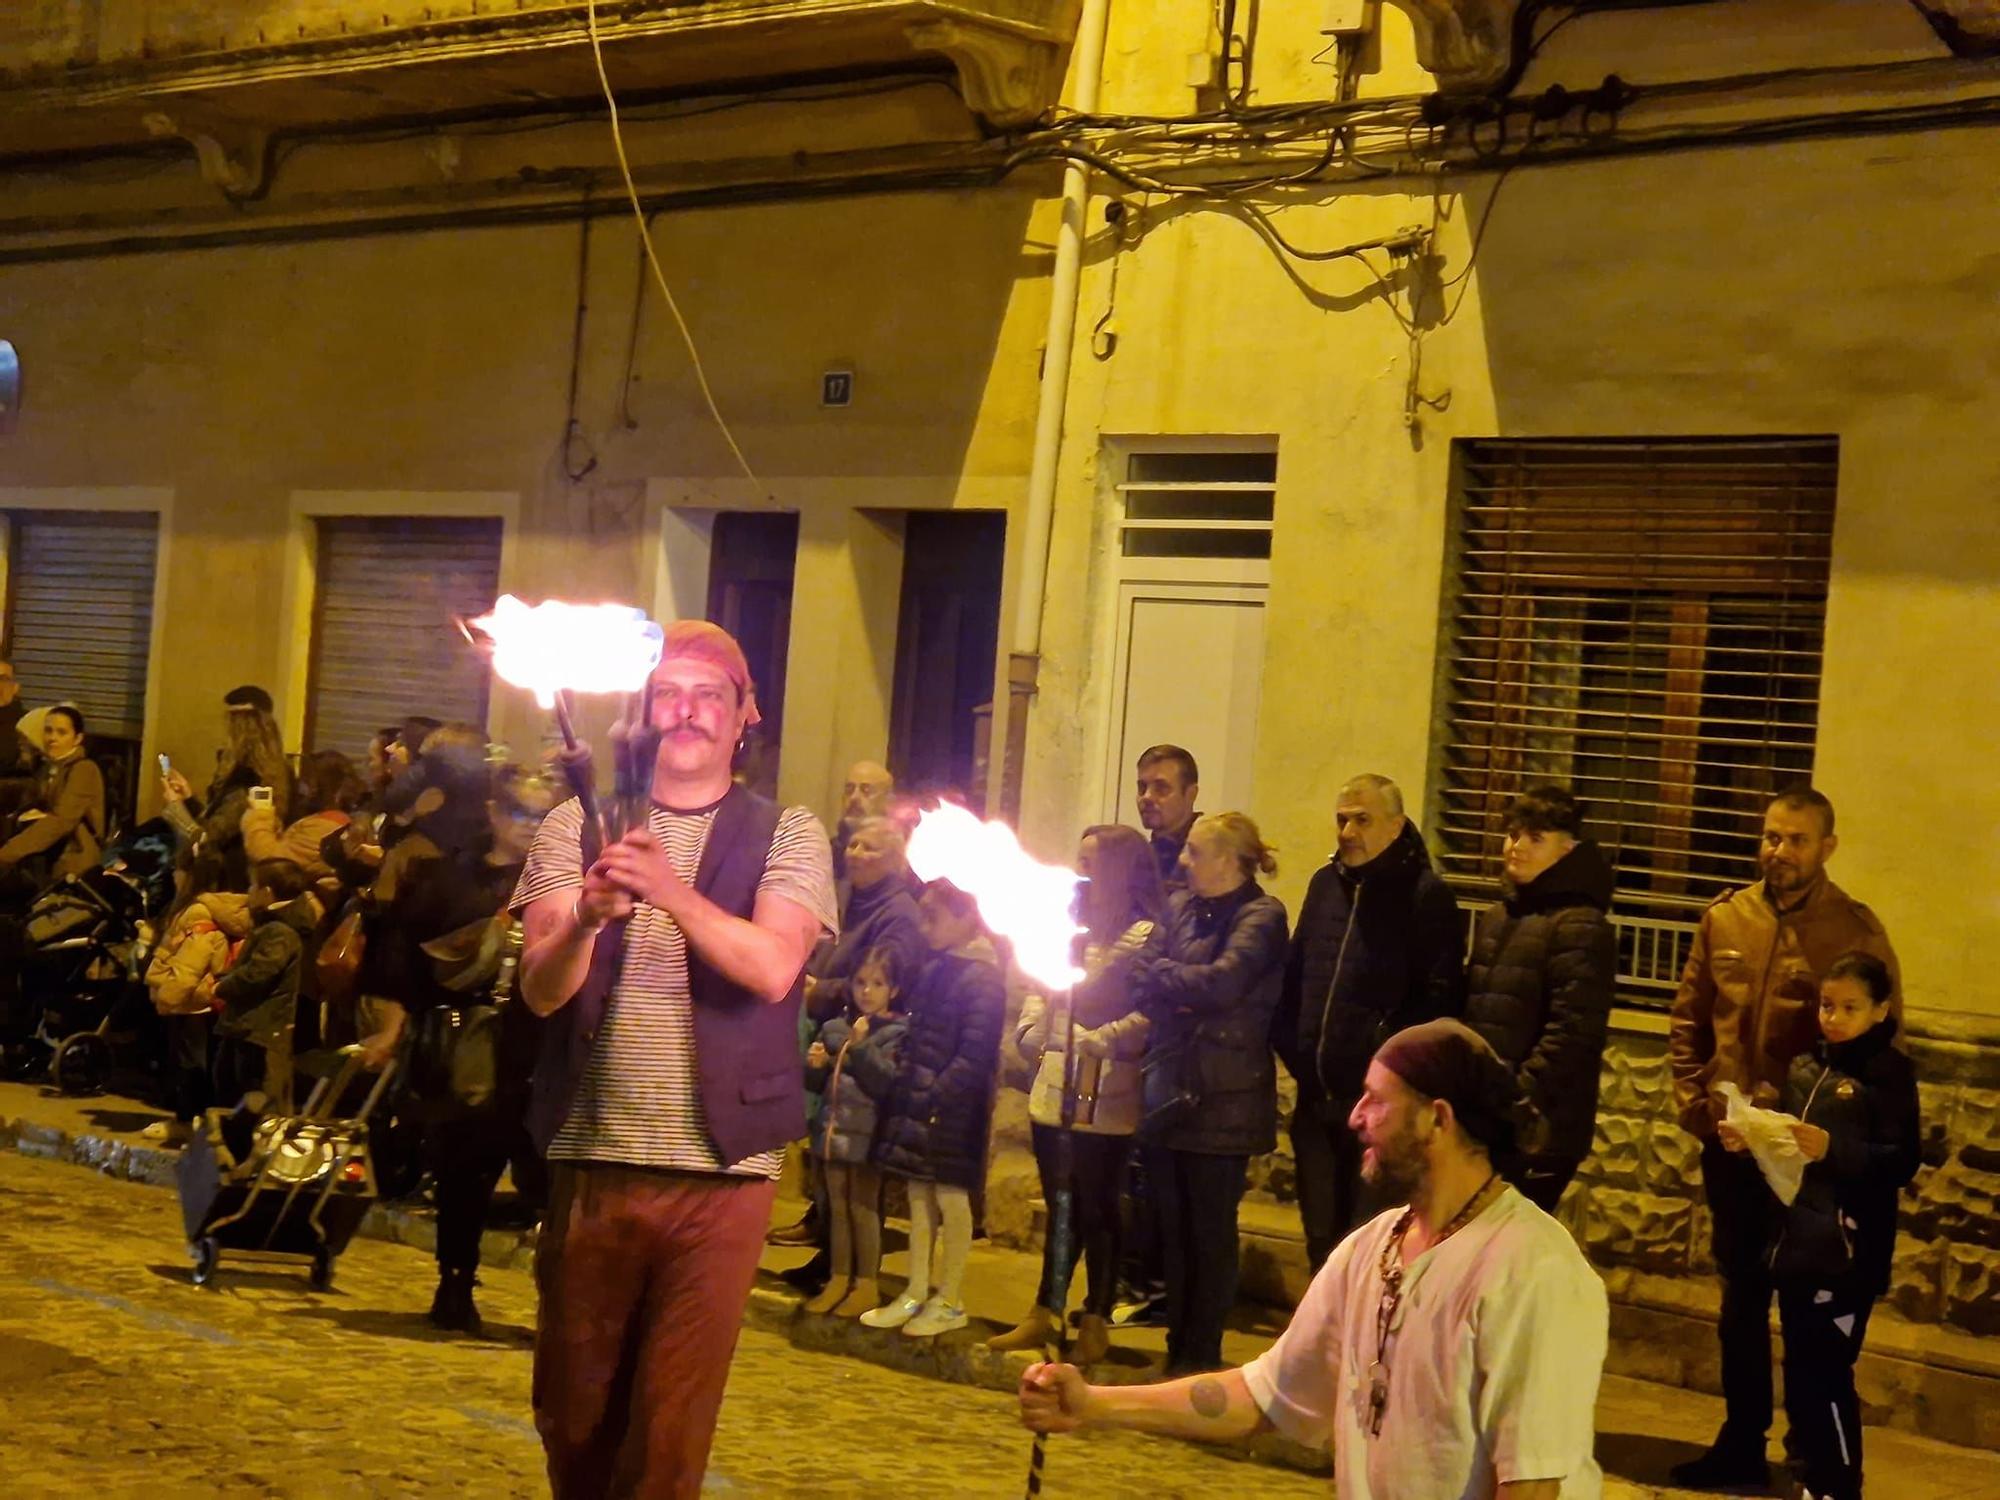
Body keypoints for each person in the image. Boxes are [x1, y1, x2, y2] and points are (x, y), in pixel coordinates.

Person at [1019, 1018, 1609, 1500]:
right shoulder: (1370, 1249)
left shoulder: (1533, 1269)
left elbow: (1534, 1484)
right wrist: (1093, 1402)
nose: (1355, 1117)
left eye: (1376, 1101)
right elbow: (1260, 1398)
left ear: (1438, 1118)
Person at [513, 620, 835, 1500]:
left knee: (667, 1436)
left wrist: (669, 891)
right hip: (594, 1150)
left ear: (745, 717)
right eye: (669, 694)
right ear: (644, 715)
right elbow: (540, 991)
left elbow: (772, 967)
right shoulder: (573, 826)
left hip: (722, 1172)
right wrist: (585, 915)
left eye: (710, 696)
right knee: (573, 1420)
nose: (688, 711)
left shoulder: (789, 832)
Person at [1666, 786, 1900, 1491]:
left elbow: (1878, 1051)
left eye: (1796, 839)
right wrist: (1700, 1111)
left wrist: (1824, 1141)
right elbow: (1689, 1022)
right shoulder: (1725, 918)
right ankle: (1741, 1442)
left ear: (1826, 846)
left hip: (1805, 1163)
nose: (1780, 851)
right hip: (1733, 1150)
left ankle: (1810, 1460)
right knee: (1740, 1298)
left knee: (1805, 1310)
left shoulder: (1852, 932)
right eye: (1771, 836)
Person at [1718, 951, 1916, 1500]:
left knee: (1828, 1373)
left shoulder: (1889, 1075)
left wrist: (1836, 1149)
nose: (1834, 1017)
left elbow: (1900, 1159)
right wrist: (1752, 1138)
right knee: (1801, 1370)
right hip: (1798, 1243)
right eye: (1828, 1005)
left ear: (1880, 1010)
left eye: (1850, 1007)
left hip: (1850, 1251)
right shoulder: (1808, 1065)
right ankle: (1811, 1475)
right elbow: (1787, 1155)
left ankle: (1839, 1485)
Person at [990, 823, 1165, 1365]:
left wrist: (1101, 1037)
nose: (1082, 871)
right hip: (1056, 1080)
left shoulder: (1145, 935)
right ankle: (1045, 1310)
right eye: (1079, 857)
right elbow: (1041, 990)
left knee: (1099, 1208)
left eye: (1093, 861)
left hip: (1106, 1086)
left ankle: (1095, 1318)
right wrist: (1033, 1030)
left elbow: (1150, 1010)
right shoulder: (1070, 928)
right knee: (1061, 1204)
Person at [1273, 772, 1464, 1268]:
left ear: (1396, 826)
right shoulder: (1324, 885)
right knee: (1320, 1241)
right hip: (1317, 1101)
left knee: (1365, 1243)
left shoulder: (1425, 897)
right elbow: (1297, 975)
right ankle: (1322, 1343)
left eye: (1362, 820)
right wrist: (1293, 1045)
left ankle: (1361, 1346)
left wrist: (1384, 1060)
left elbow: (1436, 999)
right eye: (1342, 820)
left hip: (1379, 1108)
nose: (1347, 832)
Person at [1132, 812, 1288, 1376]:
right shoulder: (1178, 907)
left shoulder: (1262, 915)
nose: (1182, 861)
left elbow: (1226, 984)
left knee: (1209, 1230)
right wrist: (1178, 985)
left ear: (1227, 859)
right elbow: (1141, 972)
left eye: (1195, 852)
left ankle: (1202, 1354)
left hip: (1223, 1094)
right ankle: (1178, 1346)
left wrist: (1173, 982)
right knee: (1171, 1229)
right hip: (1172, 1085)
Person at [772, 814, 927, 1269]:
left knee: (854, 1174)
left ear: (895, 861)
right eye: (853, 845)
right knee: (826, 1152)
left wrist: (823, 990)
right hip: (831, 1031)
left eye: (869, 849)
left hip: (863, 1039)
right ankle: (828, 1247)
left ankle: (850, 1270)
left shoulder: (898, 913)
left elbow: (886, 977)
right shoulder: (849, 897)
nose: (855, 854)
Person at [861, 880, 1006, 1338]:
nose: (923, 927)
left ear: (967, 918)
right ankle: (916, 1290)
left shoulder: (982, 976)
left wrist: (938, 1091)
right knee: (919, 1198)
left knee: (950, 1197)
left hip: (952, 1107)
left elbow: (975, 1051)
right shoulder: (936, 968)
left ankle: (951, 1297)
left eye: (933, 917)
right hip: (921, 1097)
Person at [1462, 785, 1617, 1212]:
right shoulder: (1500, 917)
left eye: (1535, 838)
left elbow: (1572, 1033)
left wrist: (1512, 1097)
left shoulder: (1581, 926)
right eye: (1513, 835)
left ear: (1567, 850)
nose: (1517, 847)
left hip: (1538, 1131)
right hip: (1487, 1121)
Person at [800, 943, 911, 1318]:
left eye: (878, 983)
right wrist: (815, 1067)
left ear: (893, 989)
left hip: (868, 1138)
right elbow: (820, 1087)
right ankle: (838, 1277)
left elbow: (886, 1081)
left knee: (863, 1209)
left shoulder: (895, 1033)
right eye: (861, 982)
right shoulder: (834, 1029)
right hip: (833, 1132)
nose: (868, 991)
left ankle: (866, 1283)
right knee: (837, 1209)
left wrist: (860, 1048)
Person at [205, 858, 316, 1115]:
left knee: (252, 1094)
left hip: (259, 1029)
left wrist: (221, 987)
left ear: (267, 892)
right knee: (231, 1084)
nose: (248, 893)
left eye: (253, 886)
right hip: (249, 1027)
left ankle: (249, 1147)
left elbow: (260, 971)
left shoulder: (279, 930)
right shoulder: (274, 926)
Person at [162, 685, 291, 892]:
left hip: (227, 884)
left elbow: (207, 839)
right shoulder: (275, 771)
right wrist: (189, 799)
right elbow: (221, 822)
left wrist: (176, 810)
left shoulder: (248, 777)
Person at [0, 704, 105, 893]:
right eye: (48, 731)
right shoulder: (51, 767)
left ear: (77, 738)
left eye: (61, 732)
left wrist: (8, 853)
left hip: (72, 859)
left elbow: (61, 821)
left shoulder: (83, 769)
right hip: (47, 856)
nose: (52, 738)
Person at [240, 749, 365, 883]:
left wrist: (260, 813)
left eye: (307, 781)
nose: (302, 787)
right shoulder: (329, 821)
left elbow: (271, 858)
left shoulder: (324, 828)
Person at [1134, 744, 1200, 892]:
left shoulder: (1211, 854)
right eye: (1142, 788)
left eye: (1161, 788)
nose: (1147, 797)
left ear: (1191, 794)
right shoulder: (1139, 858)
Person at [832, 759, 895, 886]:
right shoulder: (827, 852)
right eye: (849, 790)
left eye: (866, 791)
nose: (854, 797)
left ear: (889, 802)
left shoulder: (900, 860)